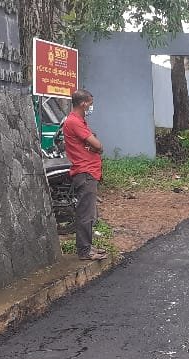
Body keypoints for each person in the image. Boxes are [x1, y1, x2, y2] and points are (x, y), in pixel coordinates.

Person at [62, 89, 107, 261]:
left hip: (89, 171)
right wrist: (95, 146)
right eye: (90, 103)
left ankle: (87, 246)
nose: (91, 107)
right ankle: (84, 251)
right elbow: (98, 145)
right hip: (85, 171)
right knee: (85, 214)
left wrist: (94, 146)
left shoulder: (78, 121)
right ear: (83, 103)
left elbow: (93, 144)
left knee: (88, 213)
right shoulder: (74, 122)